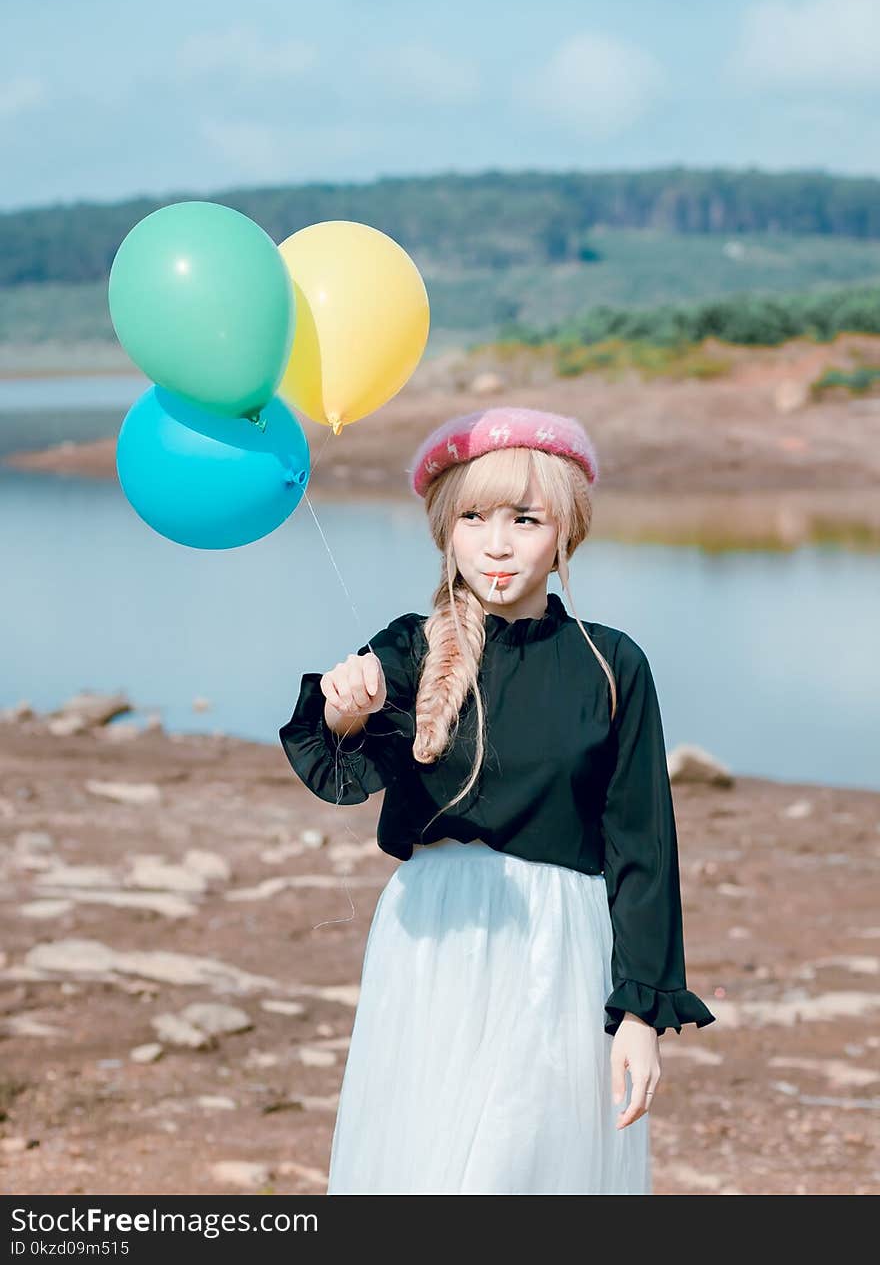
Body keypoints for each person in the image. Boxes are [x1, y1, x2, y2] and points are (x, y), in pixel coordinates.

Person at [279, 405, 715, 1195]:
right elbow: (347, 768)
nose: (499, 543)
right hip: (433, 939)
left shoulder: (611, 665)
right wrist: (345, 708)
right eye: (474, 518)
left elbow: (643, 846)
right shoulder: (410, 647)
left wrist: (643, 1015)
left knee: (528, 1168)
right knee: (430, 1170)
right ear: (447, 529)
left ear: (566, 532)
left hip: (563, 948)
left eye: (525, 518)